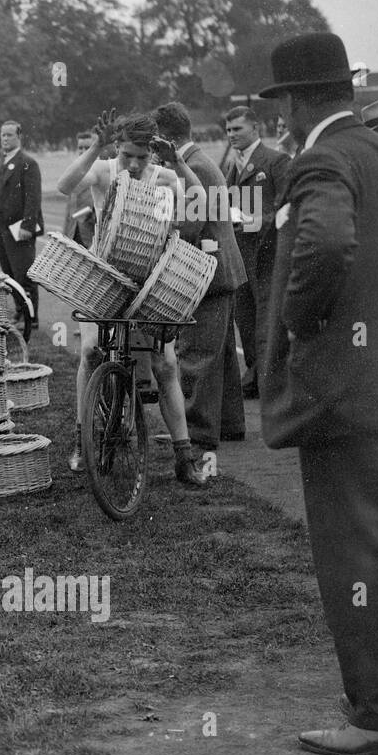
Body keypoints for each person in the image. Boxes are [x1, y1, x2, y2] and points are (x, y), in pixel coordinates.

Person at [255, 31, 378, 755]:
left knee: (359, 556)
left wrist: (300, 325)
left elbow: (323, 245)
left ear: (295, 102)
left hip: (345, 394)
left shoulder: (320, 159)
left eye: (280, 101)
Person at [55, 111, 209, 486]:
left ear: (153, 154)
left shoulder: (164, 177)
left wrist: (180, 165)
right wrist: (96, 147)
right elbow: (65, 185)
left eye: (142, 156)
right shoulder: (105, 171)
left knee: (165, 364)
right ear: (118, 150)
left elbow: (202, 203)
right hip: (103, 277)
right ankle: (82, 438)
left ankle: (184, 456)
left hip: (149, 280)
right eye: (128, 156)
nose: (135, 164)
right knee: (91, 351)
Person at [153, 101, 248, 475]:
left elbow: (191, 226)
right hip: (223, 267)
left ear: (165, 137)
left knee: (198, 355)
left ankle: (197, 433)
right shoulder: (200, 161)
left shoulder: (191, 167)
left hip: (210, 271)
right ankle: (229, 424)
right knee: (221, 353)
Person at [223, 106, 291, 400]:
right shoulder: (233, 165)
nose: (231, 135)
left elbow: (287, 205)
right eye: (227, 130)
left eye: (237, 129)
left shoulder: (276, 161)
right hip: (241, 252)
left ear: (254, 128)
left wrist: (258, 220)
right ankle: (254, 373)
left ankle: (270, 379)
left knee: (267, 318)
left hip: (267, 252)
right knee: (245, 317)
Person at [0, 120, 43, 326]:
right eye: (3, 135)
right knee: (8, 272)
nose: (5, 139)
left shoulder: (27, 162)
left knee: (23, 272)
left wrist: (27, 227)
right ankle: (19, 310)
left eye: (9, 135)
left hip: (18, 227)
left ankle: (31, 316)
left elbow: (33, 197)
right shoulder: (0, 160)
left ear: (19, 136)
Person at [59, 131, 105, 249]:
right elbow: (69, 209)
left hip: (92, 236)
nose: (83, 151)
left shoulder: (103, 170)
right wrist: (64, 235)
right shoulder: (74, 174)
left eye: (87, 147)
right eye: (80, 147)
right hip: (72, 234)